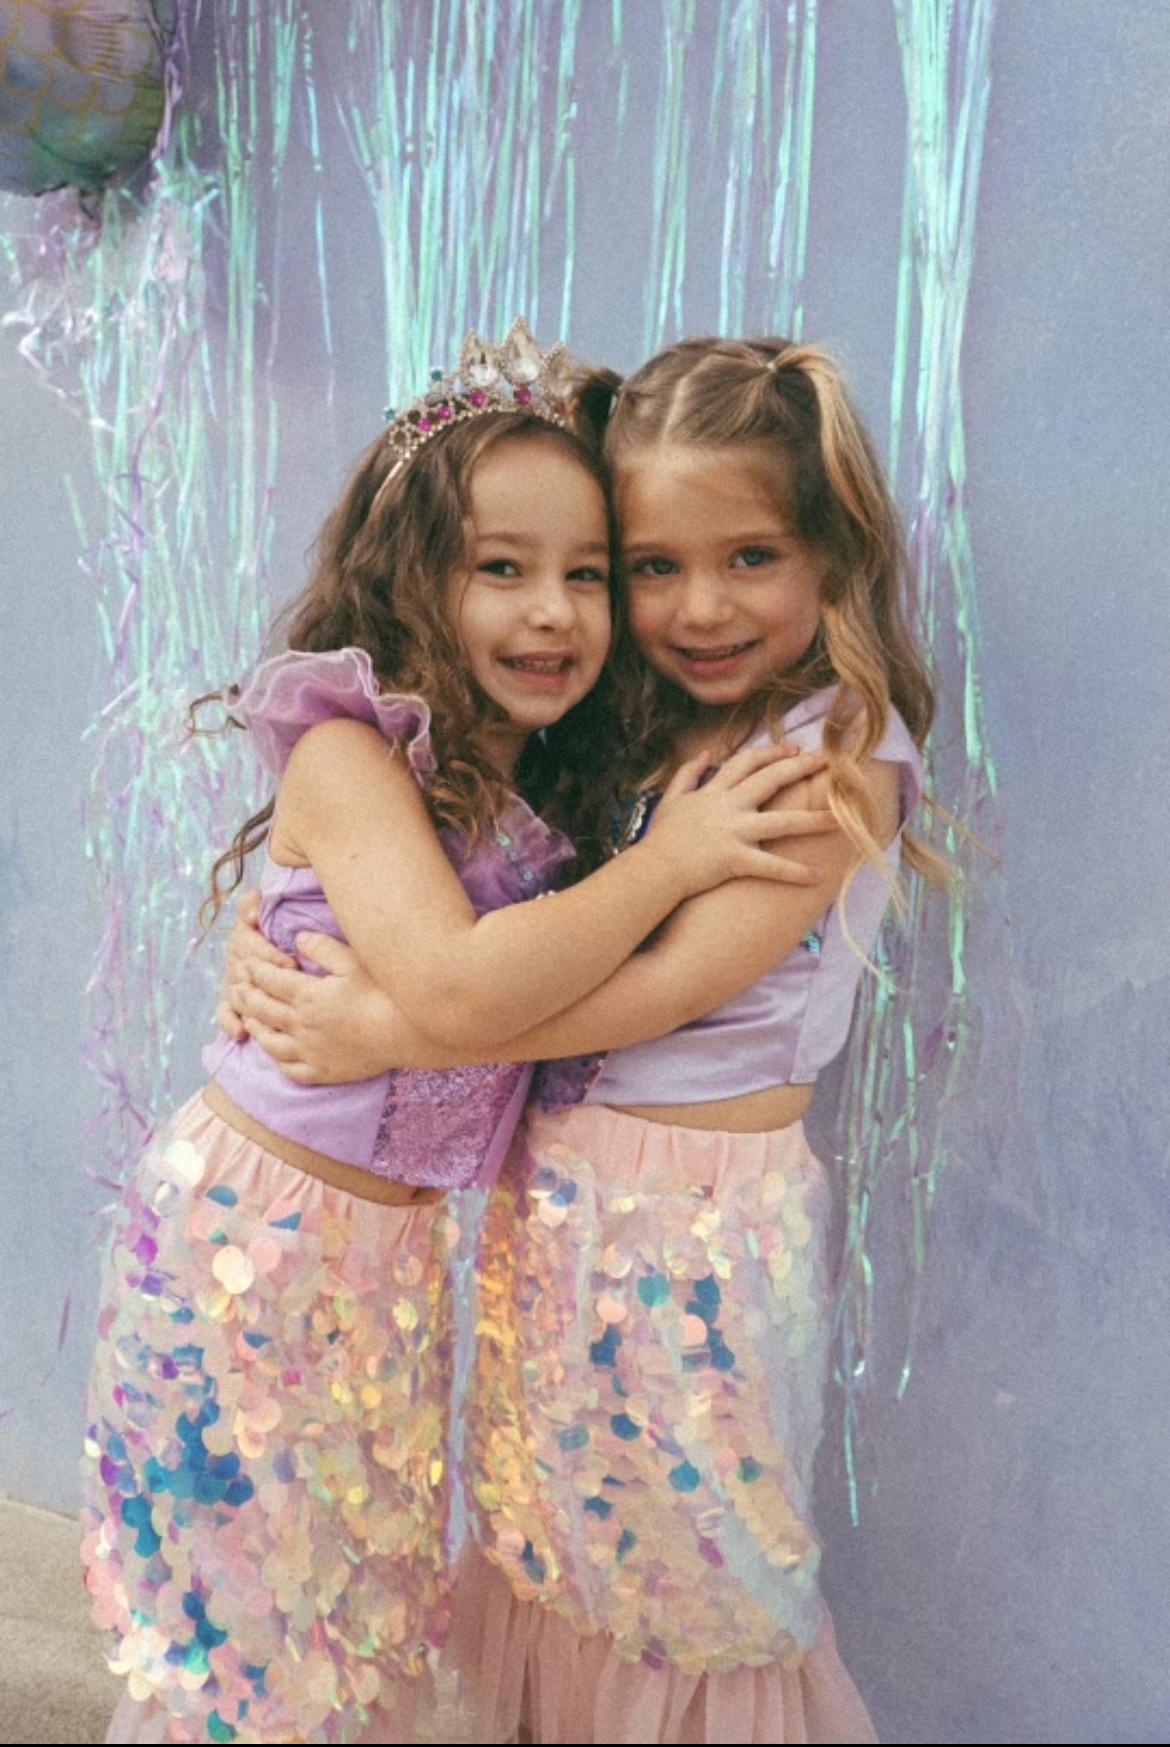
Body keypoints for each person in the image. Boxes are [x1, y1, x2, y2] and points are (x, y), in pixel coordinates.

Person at [80, 323, 831, 1747]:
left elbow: (495, 997)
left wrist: (388, 1010)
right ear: (408, 574)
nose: (551, 611)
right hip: (256, 1252)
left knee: (350, 1601)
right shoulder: (347, 750)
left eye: (589, 574)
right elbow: (467, 991)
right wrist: (668, 863)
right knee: (251, 1635)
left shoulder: (526, 779)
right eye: (502, 566)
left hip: (387, 1268)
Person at [221, 336, 946, 1744]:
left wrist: (396, 1020)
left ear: (830, 555)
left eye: (748, 556)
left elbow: (664, 985)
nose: (698, 606)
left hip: (689, 1234)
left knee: (694, 1575)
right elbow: (479, 910)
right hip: (546, 1214)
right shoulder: (633, 732)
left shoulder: (828, 751)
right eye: (653, 566)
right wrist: (304, 944)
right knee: (559, 1548)